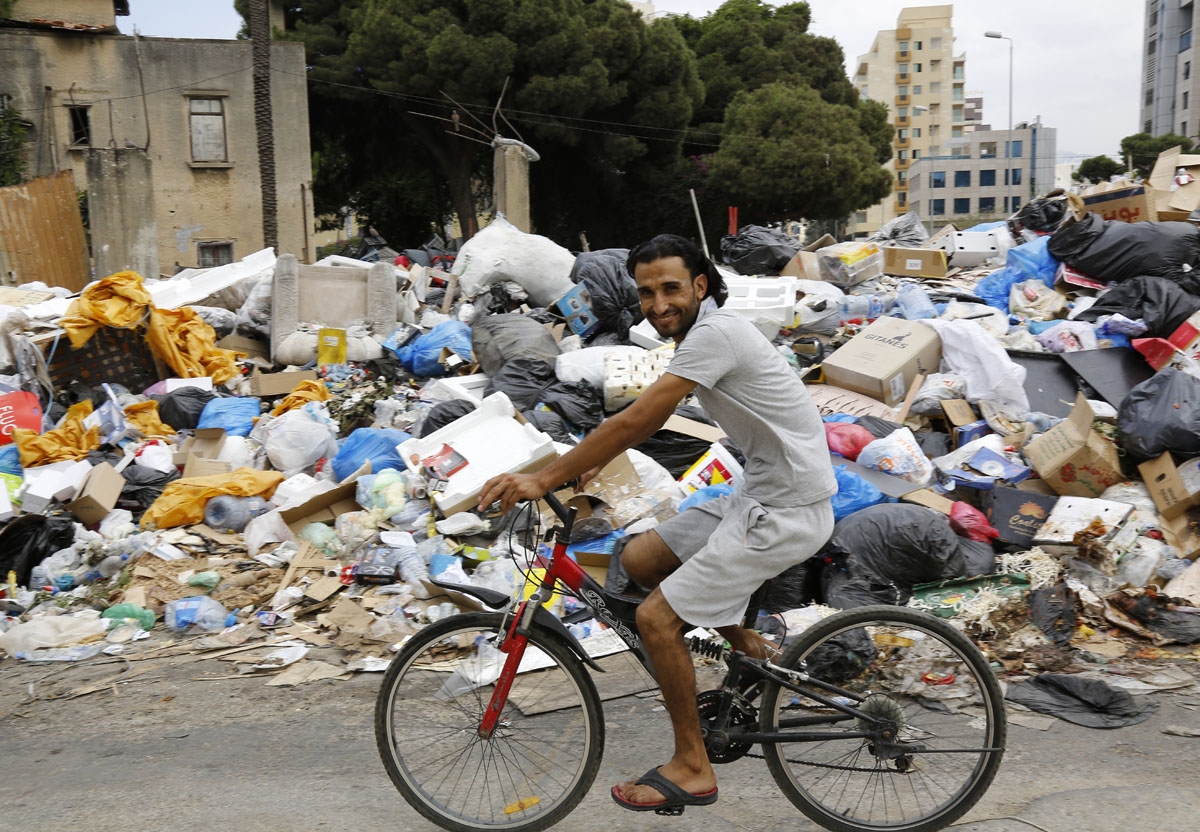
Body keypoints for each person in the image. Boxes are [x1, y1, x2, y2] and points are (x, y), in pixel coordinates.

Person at [477, 233, 837, 814]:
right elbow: (631, 420)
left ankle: (693, 768)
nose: (658, 303)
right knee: (640, 559)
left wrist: (546, 477)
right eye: (645, 293)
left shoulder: (714, 335)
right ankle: (760, 664)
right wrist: (575, 465)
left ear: (700, 286)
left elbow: (642, 416)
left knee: (655, 618)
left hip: (785, 510)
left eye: (671, 288)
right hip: (764, 494)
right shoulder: (703, 332)